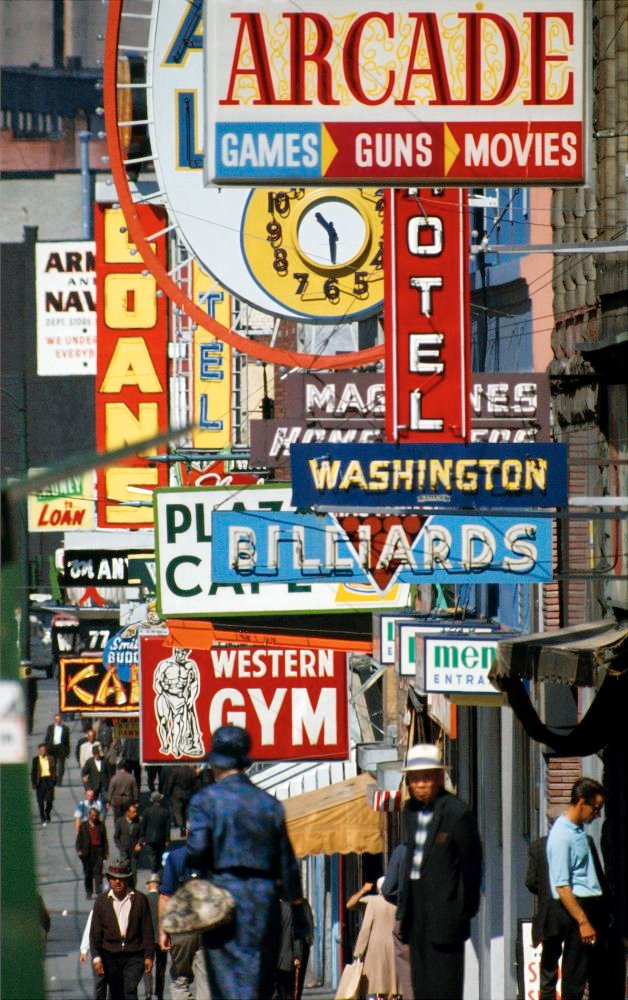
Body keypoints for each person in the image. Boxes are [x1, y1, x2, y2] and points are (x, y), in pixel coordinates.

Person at [186, 724, 303, 999]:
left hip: (222, 898)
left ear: (215, 762)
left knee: (225, 982)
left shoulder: (205, 801)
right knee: (259, 980)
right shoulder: (269, 804)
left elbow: (197, 851)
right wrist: (298, 912)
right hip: (263, 900)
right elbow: (287, 864)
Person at [396, 744, 483, 1000]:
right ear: (409, 782)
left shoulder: (457, 812)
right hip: (417, 915)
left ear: (439, 777)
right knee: (421, 988)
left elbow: (472, 865)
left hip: (446, 916)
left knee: (445, 989)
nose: (421, 784)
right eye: (415, 779)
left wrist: (463, 910)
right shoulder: (409, 812)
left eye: (427, 777)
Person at [546, 776, 609, 1000]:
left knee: (598, 972)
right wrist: (582, 922)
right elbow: (562, 886)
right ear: (581, 802)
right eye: (595, 808)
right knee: (576, 974)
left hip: (593, 905)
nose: (597, 814)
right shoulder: (562, 836)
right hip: (578, 908)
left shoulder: (578, 830)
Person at [90, 860, 154, 1000]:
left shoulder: (139, 900)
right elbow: (95, 933)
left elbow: (147, 930)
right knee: (116, 992)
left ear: (127, 880)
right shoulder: (102, 902)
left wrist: (149, 956)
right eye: (113, 879)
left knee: (130, 990)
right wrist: (96, 957)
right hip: (110, 956)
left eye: (121, 879)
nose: (117, 882)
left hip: (134, 955)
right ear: (109, 880)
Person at [158, 845, 210, 1000]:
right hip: (207, 927)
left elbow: (165, 897)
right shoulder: (216, 855)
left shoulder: (175, 857)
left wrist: (162, 932)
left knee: (180, 980)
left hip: (181, 928)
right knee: (206, 979)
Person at [526, 834, 569, 1000]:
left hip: (549, 913)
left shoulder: (538, 846)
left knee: (548, 969)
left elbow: (530, 881)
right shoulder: (577, 841)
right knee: (574, 966)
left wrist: (545, 891)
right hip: (573, 913)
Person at [353, 876, 400, 999]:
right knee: (392, 982)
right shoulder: (398, 902)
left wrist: (359, 951)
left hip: (376, 948)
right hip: (395, 946)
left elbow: (365, 928)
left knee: (375, 982)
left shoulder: (373, 902)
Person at [153, 647, 204, 759]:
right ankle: (165, 744)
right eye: (182, 653)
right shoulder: (165, 664)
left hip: (180, 698)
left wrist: (191, 698)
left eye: (185, 654)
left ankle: (175, 745)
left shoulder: (190, 666)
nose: (183, 656)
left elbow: (195, 683)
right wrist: (162, 691)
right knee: (163, 721)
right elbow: (157, 681)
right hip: (165, 696)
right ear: (176, 652)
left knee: (178, 723)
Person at [381, 844, 413, 1000]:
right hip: (442, 919)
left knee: (408, 976)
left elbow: (388, 889)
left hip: (408, 917)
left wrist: (401, 902)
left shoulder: (404, 850)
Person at [276, 897, 314, 1000]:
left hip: (289, 956)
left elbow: (303, 934)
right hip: (286, 956)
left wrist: (297, 955)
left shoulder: (297, 905)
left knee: (289, 991)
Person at [143, 873, 167, 1000]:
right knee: (161, 967)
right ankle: (159, 993)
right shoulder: (163, 899)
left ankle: (148, 991)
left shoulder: (144, 899)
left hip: (148, 939)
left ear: (148, 885)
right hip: (162, 938)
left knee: (147, 965)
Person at [77, 807, 109, 899]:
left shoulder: (101, 825)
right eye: (93, 815)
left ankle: (99, 891)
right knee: (88, 873)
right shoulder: (83, 826)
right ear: (89, 815)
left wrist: (106, 851)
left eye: (96, 815)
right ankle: (89, 892)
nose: (94, 817)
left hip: (98, 850)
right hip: (87, 852)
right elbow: (79, 839)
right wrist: (79, 850)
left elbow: (104, 839)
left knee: (98, 871)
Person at [140, 792, 171, 873]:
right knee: (160, 854)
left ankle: (154, 869)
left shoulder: (147, 811)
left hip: (149, 837)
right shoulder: (165, 811)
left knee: (151, 854)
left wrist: (142, 837)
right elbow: (167, 827)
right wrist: (168, 839)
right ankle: (158, 868)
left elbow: (143, 825)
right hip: (161, 837)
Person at [80, 908, 107, 1000]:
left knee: (115, 985)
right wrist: (84, 950)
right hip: (99, 952)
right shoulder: (99, 906)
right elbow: (90, 930)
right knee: (99, 983)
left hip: (117, 952)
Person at [163, 764, 197, 838]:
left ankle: (181, 827)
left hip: (176, 794)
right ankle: (187, 826)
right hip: (188, 793)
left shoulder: (175, 770)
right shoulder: (192, 771)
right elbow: (195, 783)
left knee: (177, 811)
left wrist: (168, 792)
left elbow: (170, 782)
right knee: (186, 811)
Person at [114, 801, 142, 886]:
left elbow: (142, 835)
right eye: (133, 812)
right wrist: (120, 847)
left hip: (134, 850)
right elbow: (116, 837)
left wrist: (139, 843)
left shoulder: (138, 822)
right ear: (127, 813)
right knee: (124, 870)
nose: (135, 814)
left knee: (133, 871)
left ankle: (133, 888)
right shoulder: (120, 822)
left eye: (136, 812)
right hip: (124, 850)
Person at [31, 741, 57, 825]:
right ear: (39, 751)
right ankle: (42, 817)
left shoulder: (51, 758)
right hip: (40, 781)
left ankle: (47, 812)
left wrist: (54, 780)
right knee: (40, 801)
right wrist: (34, 783)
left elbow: (54, 770)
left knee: (49, 801)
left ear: (46, 751)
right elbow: (33, 772)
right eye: (41, 750)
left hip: (49, 780)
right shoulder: (36, 760)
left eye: (44, 750)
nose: (43, 752)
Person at [44, 712, 71, 786]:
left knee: (61, 766)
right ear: (54, 720)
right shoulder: (50, 727)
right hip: (52, 747)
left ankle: (59, 781)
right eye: (56, 720)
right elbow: (47, 738)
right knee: (52, 765)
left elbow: (67, 741)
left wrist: (68, 751)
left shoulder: (66, 728)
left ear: (61, 720)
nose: (58, 721)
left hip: (61, 748)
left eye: (59, 719)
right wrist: (45, 748)